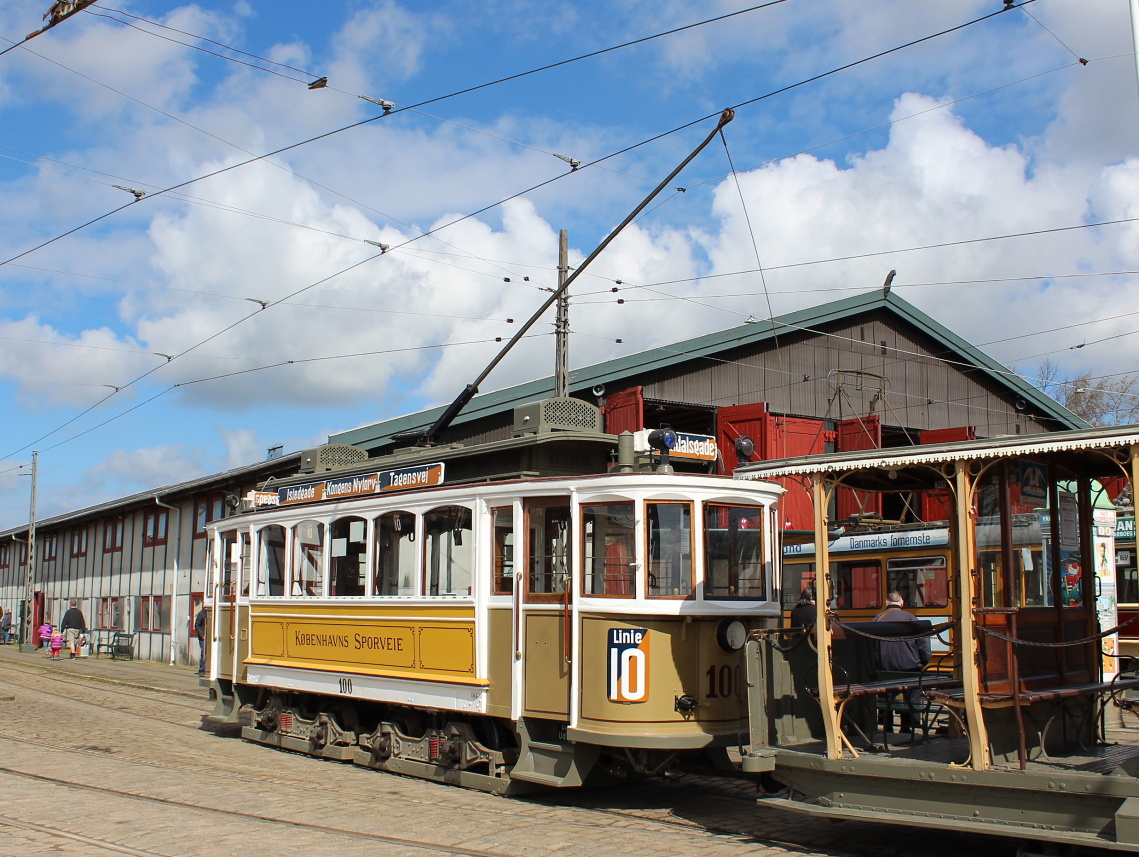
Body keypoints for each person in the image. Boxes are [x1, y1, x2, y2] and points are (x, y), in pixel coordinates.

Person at [874, 591, 931, 733]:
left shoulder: (878, 619)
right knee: (911, 695)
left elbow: (871, 646)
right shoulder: (911, 618)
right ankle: (908, 726)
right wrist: (924, 662)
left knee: (886, 695)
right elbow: (924, 644)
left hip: (884, 668)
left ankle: (887, 726)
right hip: (909, 667)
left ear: (887, 603)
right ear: (902, 603)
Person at [194, 605, 208, 675]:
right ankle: (202, 669)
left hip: (210, 636)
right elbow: (197, 625)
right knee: (204, 652)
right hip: (203, 636)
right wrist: (202, 635)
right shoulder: (202, 614)